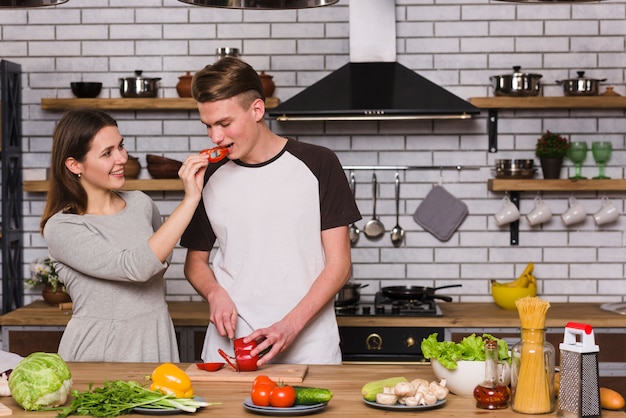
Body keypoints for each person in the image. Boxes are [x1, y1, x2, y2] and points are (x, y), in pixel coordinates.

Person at [181, 57, 362, 366]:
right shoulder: (209, 175)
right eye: (208, 126)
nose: (215, 138)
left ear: (256, 110)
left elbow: (340, 265)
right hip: (230, 349)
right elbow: (195, 263)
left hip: (309, 348)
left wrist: (289, 326)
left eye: (224, 123)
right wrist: (214, 293)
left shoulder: (319, 164)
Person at [40, 108, 208, 362]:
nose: (121, 158)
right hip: (99, 352)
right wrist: (191, 198)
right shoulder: (63, 227)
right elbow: (136, 267)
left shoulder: (141, 203)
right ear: (75, 165)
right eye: (107, 153)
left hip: (156, 337)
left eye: (121, 146)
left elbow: (157, 260)